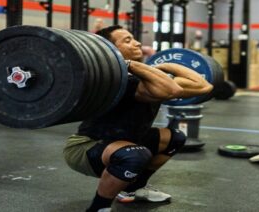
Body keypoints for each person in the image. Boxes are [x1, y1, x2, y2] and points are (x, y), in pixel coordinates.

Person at [63, 25, 213, 212]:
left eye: (134, 38)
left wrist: (164, 64)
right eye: (127, 41)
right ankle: (98, 208)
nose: (138, 43)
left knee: (175, 137)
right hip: (86, 147)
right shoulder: (119, 80)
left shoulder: (148, 79)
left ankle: (132, 190)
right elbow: (172, 90)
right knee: (135, 155)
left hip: (124, 141)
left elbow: (204, 85)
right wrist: (127, 64)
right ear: (111, 49)